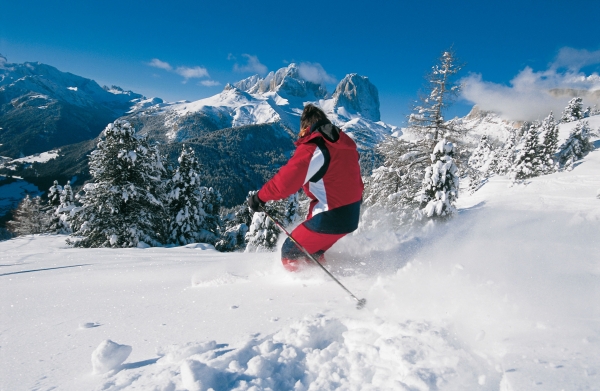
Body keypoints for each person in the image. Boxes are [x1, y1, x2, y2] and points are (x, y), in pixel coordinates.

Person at [247, 104, 364, 271]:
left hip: (329, 217)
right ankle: (321, 283)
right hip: (351, 217)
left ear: (306, 127)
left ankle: (302, 291)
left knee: (290, 252)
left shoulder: (316, 147)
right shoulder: (346, 148)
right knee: (311, 253)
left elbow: (285, 183)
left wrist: (260, 197)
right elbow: (355, 181)